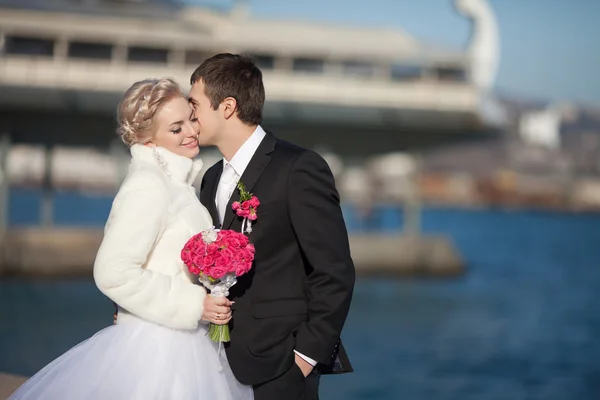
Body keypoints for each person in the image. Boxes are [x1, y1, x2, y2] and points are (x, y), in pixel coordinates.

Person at [8, 78, 253, 400]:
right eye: (176, 128)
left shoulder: (177, 186)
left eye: (191, 119)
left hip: (184, 340)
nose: (191, 132)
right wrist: (196, 304)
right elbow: (114, 272)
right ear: (148, 140)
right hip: (157, 350)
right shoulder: (148, 186)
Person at [191, 53, 355, 400]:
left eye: (195, 104)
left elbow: (334, 270)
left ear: (227, 106)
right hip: (211, 363)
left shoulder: (298, 167)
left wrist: (305, 358)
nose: (190, 116)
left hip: (280, 366)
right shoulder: (210, 178)